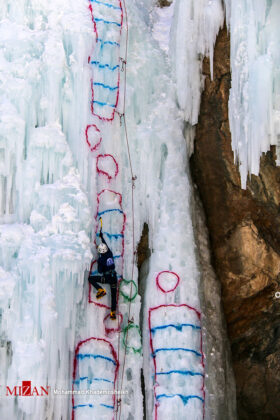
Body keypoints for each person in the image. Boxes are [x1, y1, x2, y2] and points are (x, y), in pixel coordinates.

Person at [88, 229, 118, 320]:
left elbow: (100, 271)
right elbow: (106, 245)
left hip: (107, 278)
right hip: (114, 278)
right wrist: (102, 237)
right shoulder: (110, 253)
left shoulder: (101, 260)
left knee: (91, 279)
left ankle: (101, 290)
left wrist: (99, 262)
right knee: (113, 296)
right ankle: (113, 313)